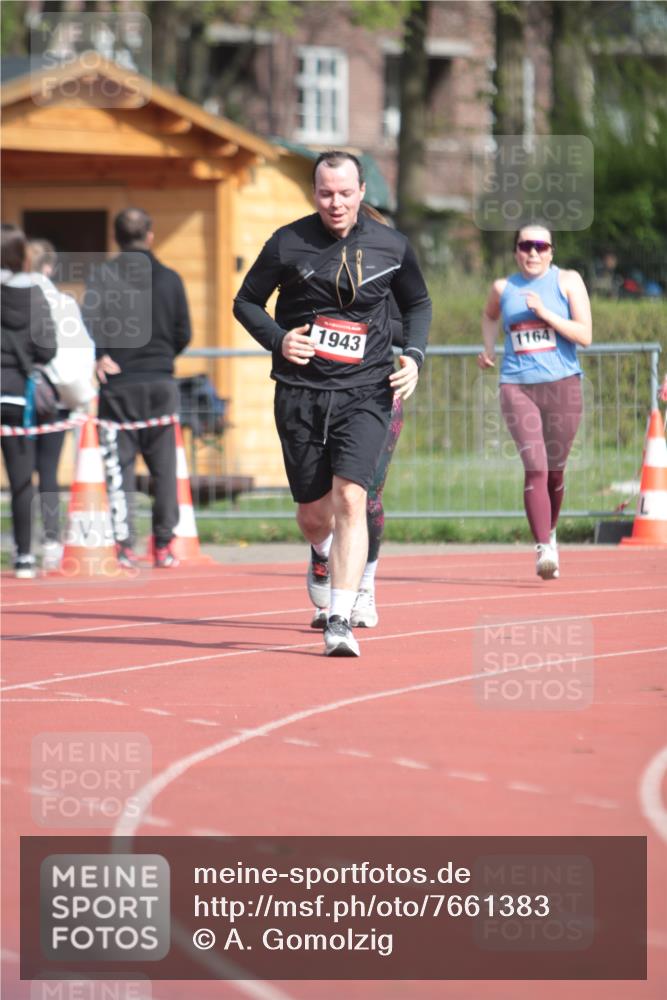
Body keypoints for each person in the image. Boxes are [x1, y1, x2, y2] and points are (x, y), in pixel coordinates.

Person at [234, 151, 431, 656]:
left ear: (362, 191)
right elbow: (246, 302)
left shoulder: (392, 245)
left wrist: (413, 356)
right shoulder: (287, 242)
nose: (336, 203)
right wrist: (278, 339)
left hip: (366, 392)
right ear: (314, 193)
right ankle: (320, 554)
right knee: (312, 513)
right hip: (301, 392)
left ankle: (340, 617)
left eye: (345, 193)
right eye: (326, 194)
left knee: (351, 498)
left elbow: (418, 303)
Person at [477, 224, 592, 579]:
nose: (533, 253)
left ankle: (551, 531)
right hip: (517, 386)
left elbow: (585, 335)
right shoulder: (503, 287)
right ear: (515, 251)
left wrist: (546, 314)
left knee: (555, 472)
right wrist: (489, 347)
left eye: (541, 246)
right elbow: (489, 315)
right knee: (536, 467)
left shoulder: (568, 281)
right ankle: (543, 546)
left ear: (551, 251)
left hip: (562, 385)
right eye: (526, 245)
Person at [310, 203, 405, 632]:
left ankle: (361, 588)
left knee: (362, 495)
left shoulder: (393, 271)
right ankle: (322, 551)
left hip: (377, 392)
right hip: (318, 394)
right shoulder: (318, 273)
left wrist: (375, 325)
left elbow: (414, 321)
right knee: (319, 500)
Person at [82, 208, 192, 568]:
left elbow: (87, 326)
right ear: (150, 235)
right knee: (164, 472)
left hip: (119, 385)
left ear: (116, 237)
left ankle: (124, 547)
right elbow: (183, 333)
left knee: (120, 471)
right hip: (160, 383)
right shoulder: (170, 279)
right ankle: (163, 546)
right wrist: (160, 359)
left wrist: (100, 356)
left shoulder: (102, 278)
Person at [28, 238, 96, 571]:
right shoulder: (64, 303)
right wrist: (81, 394)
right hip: (56, 398)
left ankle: (23, 547)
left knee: (20, 472)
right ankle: (52, 541)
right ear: (50, 267)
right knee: (48, 472)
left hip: (17, 395)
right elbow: (82, 350)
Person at [1, 224, 56, 578]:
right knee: (22, 479)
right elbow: (48, 347)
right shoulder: (34, 294)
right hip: (17, 394)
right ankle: (23, 556)